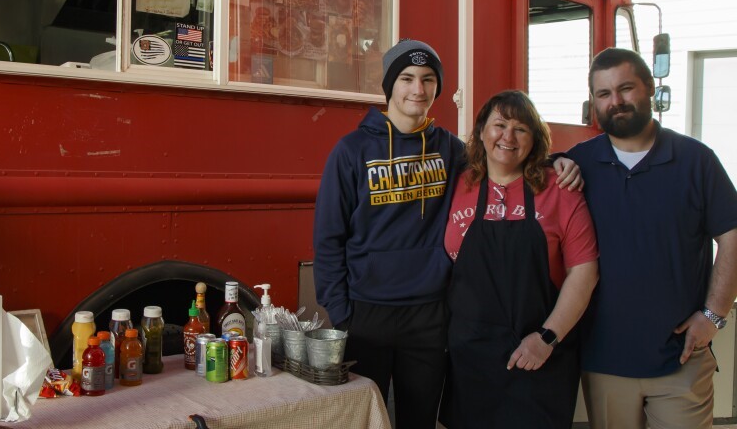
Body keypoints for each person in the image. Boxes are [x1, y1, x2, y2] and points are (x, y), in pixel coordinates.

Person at [313, 39, 582, 428]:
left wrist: (558, 162)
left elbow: (506, 158)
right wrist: (341, 313)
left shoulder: (451, 151)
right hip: (365, 312)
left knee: (419, 421)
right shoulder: (351, 151)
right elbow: (328, 239)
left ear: (438, 87)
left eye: (427, 79)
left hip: (430, 315)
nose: (417, 89)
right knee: (362, 420)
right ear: (389, 85)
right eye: (406, 78)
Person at [568, 48, 737, 429]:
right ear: (593, 101)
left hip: (681, 357)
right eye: (604, 94)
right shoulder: (576, 165)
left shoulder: (696, 160)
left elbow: (732, 235)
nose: (617, 101)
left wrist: (713, 316)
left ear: (649, 88)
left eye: (626, 88)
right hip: (604, 360)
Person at [443, 89, 599, 428]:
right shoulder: (457, 183)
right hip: (470, 357)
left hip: (539, 356)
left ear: (534, 139)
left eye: (521, 128)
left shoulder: (560, 188)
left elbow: (584, 272)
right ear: (482, 130)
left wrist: (546, 338)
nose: (508, 137)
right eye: (499, 125)